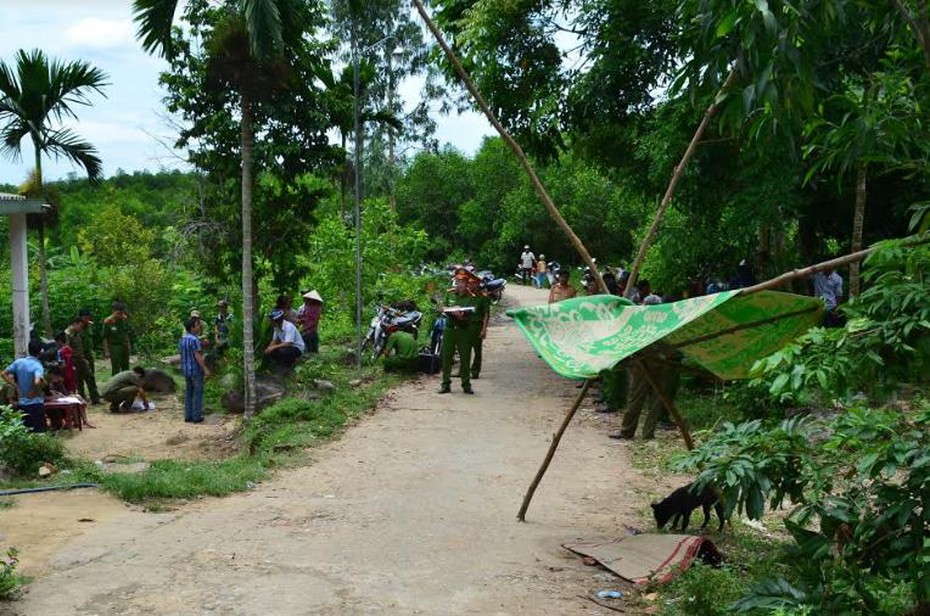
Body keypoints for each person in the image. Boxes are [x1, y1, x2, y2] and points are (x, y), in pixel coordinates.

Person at [438, 268, 483, 394]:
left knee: (465, 357)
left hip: (464, 330)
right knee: (446, 357)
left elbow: (471, 315)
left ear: (467, 283)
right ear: (455, 281)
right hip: (450, 330)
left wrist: (461, 315)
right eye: (458, 281)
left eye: (463, 282)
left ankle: (466, 384)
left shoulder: (472, 297)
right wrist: (443, 309)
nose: (460, 284)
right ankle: (445, 384)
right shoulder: (449, 294)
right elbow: (442, 307)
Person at [2, 339, 46, 432]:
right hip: (36, 404)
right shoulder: (37, 365)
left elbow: (3, 374)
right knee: (39, 433)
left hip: (22, 403)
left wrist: (15, 386)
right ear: (41, 351)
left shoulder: (19, 362)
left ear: (28, 349)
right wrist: (33, 391)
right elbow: (37, 381)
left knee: (26, 432)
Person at [180, 317, 210, 423]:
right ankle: (197, 416)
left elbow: (182, 356)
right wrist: (205, 369)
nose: (199, 327)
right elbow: (197, 356)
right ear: (192, 327)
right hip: (195, 370)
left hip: (186, 370)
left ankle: (188, 416)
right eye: (197, 325)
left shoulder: (183, 339)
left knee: (188, 392)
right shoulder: (194, 339)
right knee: (197, 393)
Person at [71, 310, 101, 404]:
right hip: (78, 358)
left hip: (86, 355)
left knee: (90, 377)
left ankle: (95, 397)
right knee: (79, 379)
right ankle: (82, 397)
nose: (87, 320)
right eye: (86, 317)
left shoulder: (88, 327)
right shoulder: (71, 332)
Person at [467, 274, 491, 380]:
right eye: (469, 283)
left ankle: (475, 371)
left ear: (477, 284)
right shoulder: (467, 296)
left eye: (472, 283)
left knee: (477, 350)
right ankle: (464, 370)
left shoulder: (483, 298)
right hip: (466, 325)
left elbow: (486, 314)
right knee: (465, 349)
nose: (470, 285)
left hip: (477, 325)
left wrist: (484, 329)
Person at [102, 301, 133, 376]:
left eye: (122, 313)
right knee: (116, 368)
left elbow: (126, 333)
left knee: (126, 367)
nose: (120, 315)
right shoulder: (108, 322)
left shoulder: (124, 320)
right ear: (113, 311)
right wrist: (106, 351)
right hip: (115, 347)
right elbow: (104, 337)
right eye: (118, 313)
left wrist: (129, 345)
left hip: (124, 345)